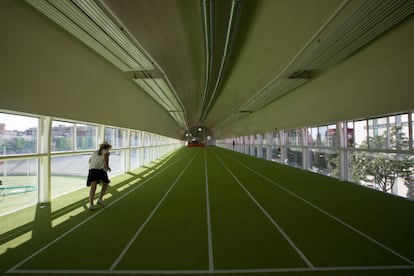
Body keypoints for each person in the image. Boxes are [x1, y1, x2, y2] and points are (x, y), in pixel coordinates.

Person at [87, 141, 112, 210]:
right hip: (99, 170)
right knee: (106, 183)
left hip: (92, 170)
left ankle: (91, 204)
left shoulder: (95, 152)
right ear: (107, 147)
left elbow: (89, 161)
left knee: (93, 188)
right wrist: (107, 166)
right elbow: (105, 159)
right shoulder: (107, 152)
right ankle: (100, 199)